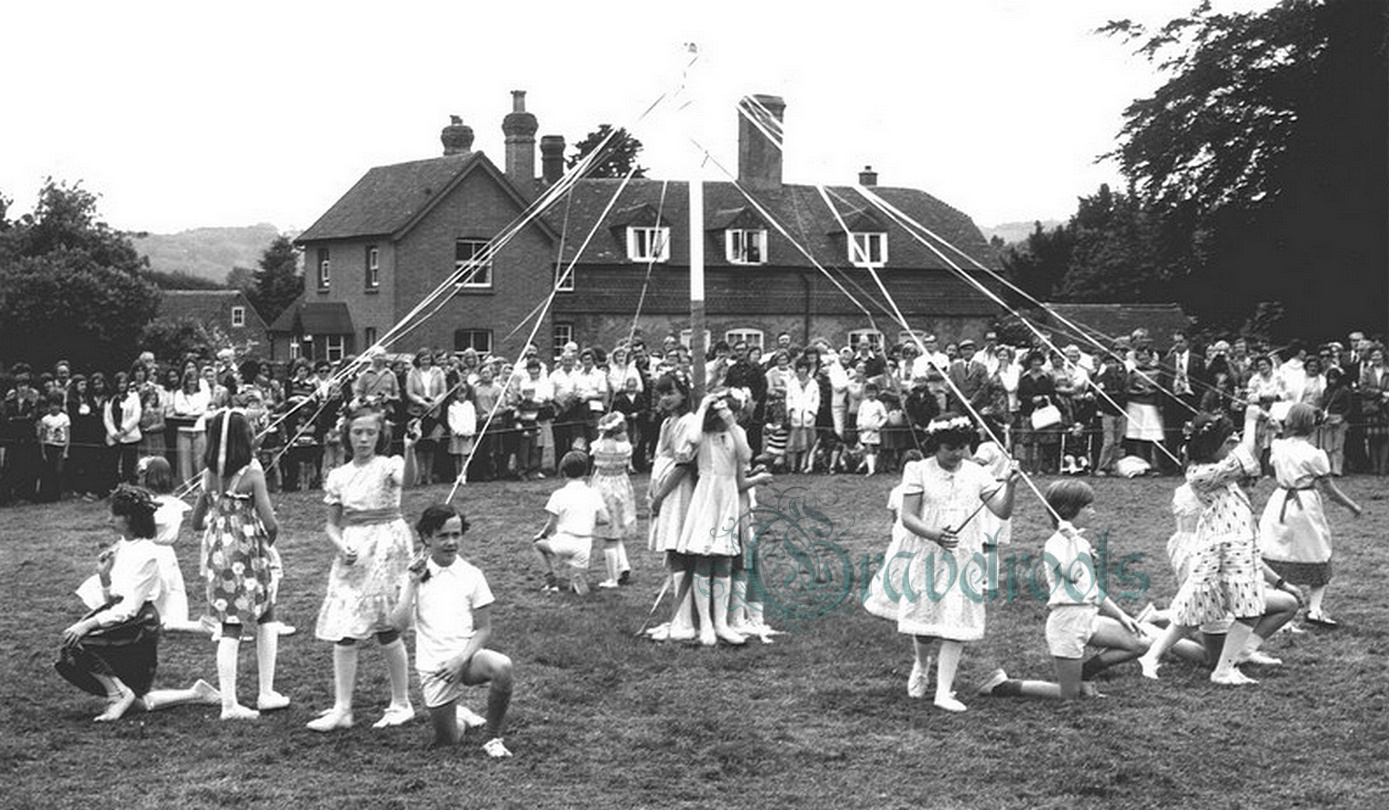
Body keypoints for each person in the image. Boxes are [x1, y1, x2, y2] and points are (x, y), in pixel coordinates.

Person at [57, 485, 220, 721]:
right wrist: (104, 578)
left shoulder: (148, 554)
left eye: (115, 515)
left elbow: (130, 608)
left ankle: (118, 694)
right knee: (137, 704)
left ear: (130, 518)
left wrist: (88, 624)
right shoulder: (122, 547)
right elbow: (113, 600)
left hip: (139, 626)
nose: (109, 519)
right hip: (125, 619)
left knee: (78, 643)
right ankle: (195, 694)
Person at [976, 480, 1149, 701]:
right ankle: (1002, 686)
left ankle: (1083, 674)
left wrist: (1122, 616)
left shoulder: (1080, 542)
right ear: (1069, 510)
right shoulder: (1056, 544)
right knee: (1070, 695)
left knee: (1141, 642)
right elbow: (1073, 573)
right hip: (1067, 622)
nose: (1093, 511)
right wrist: (1071, 542)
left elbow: (1091, 589)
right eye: (1087, 507)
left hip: (1088, 617)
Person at [890, 413, 1017, 711]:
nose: (958, 454)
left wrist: (1010, 486)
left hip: (964, 554)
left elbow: (1002, 511)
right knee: (926, 622)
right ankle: (921, 665)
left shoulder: (976, 473)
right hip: (928, 553)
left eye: (962, 447)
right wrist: (935, 535)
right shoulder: (917, 469)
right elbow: (907, 516)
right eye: (950, 448)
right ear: (935, 445)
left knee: (955, 621)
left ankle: (943, 692)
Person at [1135, 408, 1267, 685]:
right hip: (1225, 548)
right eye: (1227, 442)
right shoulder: (1201, 474)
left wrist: (1257, 429)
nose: (1232, 447)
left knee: (1198, 610)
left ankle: (1152, 655)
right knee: (1248, 610)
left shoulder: (1213, 467)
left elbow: (1249, 458)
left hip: (1232, 545)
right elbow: (1245, 459)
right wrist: (1251, 421)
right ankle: (1223, 670)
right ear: (1211, 445)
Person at [307, 405, 418, 732]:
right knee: (345, 628)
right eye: (358, 432)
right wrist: (341, 547)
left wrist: (410, 448)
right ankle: (343, 708)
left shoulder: (388, 465)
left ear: (380, 435)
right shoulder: (338, 475)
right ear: (348, 435)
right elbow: (331, 525)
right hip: (354, 550)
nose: (364, 439)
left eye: (371, 432)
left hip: (388, 546)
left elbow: (409, 481)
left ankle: (401, 702)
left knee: (387, 626)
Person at [389, 505, 514, 757]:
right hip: (435, 667)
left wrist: (460, 659)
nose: (451, 542)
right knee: (448, 741)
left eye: (456, 535)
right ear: (426, 538)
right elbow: (398, 625)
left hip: (467, 659)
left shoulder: (472, 575)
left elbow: (483, 629)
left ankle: (492, 738)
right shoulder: (414, 574)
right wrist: (412, 585)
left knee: (503, 666)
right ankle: (462, 717)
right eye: (443, 536)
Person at [191, 410, 286, 720]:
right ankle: (263, 693)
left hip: (217, 555)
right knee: (266, 612)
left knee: (229, 625)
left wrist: (219, 523)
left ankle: (232, 702)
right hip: (248, 554)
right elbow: (270, 522)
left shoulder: (207, 475)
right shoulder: (253, 473)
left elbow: (195, 522)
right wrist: (264, 546)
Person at [1259, 403, 1363, 627]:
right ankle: (1314, 609)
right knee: (1318, 550)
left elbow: (1276, 451)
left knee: (1276, 550)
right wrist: (1352, 505)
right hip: (1304, 504)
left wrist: (1278, 430)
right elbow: (1330, 491)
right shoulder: (1315, 454)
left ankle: (1281, 615)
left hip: (1279, 502)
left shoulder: (1278, 446)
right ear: (1314, 426)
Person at [676, 393, 766, 646]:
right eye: (720, 415)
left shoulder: (737, 434)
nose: (723, 419)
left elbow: (746, 455)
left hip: (727, 498)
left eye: (731, 414)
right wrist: (703, 406)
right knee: (704, 560)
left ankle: (721, 623)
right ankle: (705, 624)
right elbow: (692, 438)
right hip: (707, 498)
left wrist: (731, 423)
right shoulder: (701, 435)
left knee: (725, 561)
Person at [645, 373, 701, 641]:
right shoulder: (668, 421)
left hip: (678, 491)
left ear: (683, 394)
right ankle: (679, 616)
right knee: (672, 551)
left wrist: (662, 495)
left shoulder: (689, 422)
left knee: (680, 549)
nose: (666, 399)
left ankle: (686, 620)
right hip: (664, 487)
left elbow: (684, 463)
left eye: (671, 393)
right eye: (662, 394)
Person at [134, 457, 202, 633]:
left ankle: (161, 618)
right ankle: (166, 618)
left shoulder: (157, 506)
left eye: (142, 475)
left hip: (154, 553)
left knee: (161, 588)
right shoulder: (167, 503)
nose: (139, 479)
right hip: (162, 553)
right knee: (168, 589)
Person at [533, 450, 609, 595]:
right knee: (576, 583)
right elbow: (605, 519)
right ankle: (576, 580)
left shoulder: (558, 494)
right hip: (584, 544)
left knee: (537, 545)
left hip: (563, 541)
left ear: (564, 472)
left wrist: (541, 535)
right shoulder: (593, 493)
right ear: (586, 472)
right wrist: (589, 521)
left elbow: (551, 524)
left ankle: (551, 582)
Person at [590, 411, 636, 588]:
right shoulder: (625, 446)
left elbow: (596, 456)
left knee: (609, 533)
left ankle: (612, 578)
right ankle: (623, 566)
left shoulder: (599, 445)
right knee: (615, 529)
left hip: (604, 488)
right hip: (621, 486)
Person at [36, 391, 70, 503]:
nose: (53, 407)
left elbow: (68, 435)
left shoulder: (64, 418)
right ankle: (46, 495)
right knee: (47, 472)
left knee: (58, 471)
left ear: (60, 405)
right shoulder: (45, 419)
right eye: (51, 405)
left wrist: (66, 451)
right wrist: (43, 452)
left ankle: (57, 495)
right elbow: (42, 437)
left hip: (59, 447)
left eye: (56, 405)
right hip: (49, 446)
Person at [856, 382, 888, 475]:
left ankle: (868, 466)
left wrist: (878, 426)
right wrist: (859, 425)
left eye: (873, 392)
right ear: (865, 393)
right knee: (867, 447)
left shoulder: (879, 404)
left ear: (876, 393)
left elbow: (885, 416)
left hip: (874, 430)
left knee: (873, 449)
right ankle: (870, 470)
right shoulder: (863, 404)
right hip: (864, 430)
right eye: (868, 392)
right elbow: (860, 415)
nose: (871, 395)